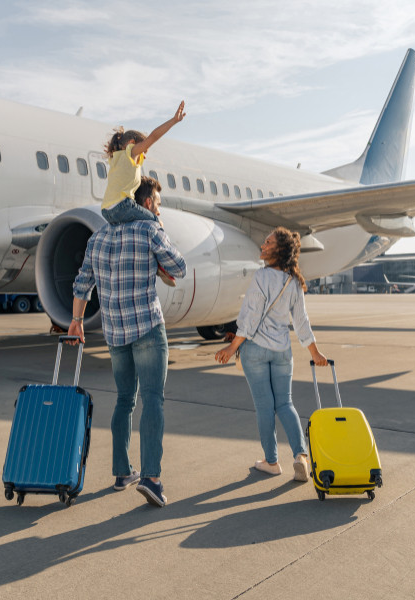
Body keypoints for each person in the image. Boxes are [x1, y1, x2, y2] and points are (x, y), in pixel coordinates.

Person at [68, 176, 186, 507]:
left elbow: (81, 285)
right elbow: (181, 265)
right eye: (157, 204)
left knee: (124, 400)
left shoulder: (99, 236)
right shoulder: (150, 229)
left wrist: (77, 322)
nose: (158, 209)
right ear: (146, 203)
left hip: (115, 333)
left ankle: (122, 472)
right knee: (153, 400)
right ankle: (151, 477)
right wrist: (159, 228)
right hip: (147, 327)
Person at [214, 227, 328, 482]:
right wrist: (315, 352)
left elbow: (250, 318)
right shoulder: (293, 281)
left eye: (268, 243)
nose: (262, 246)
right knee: (285, 404)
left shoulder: (261, 277)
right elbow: (301, 322)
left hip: (255, 351)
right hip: (281, 352)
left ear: (278, 250)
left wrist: (232, 347)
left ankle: (271, 462)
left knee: (265, 407)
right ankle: (301, 457)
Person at [102, 101, 186, 286]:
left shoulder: (114, 159)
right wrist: (173, 121)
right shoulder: (129, 153)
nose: (144, 155)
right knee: (156, 222)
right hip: (122, 205)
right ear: (132, 144)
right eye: (144, 150)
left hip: (107, 210)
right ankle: (161, 264)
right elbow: (154, 136)